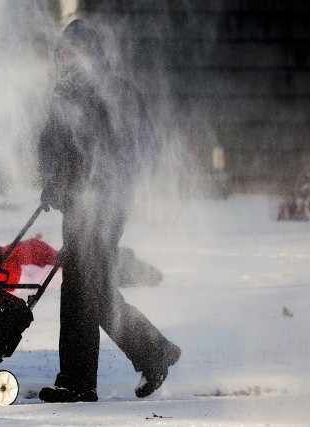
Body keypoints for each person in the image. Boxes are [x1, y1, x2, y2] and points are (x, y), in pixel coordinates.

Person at [37, 19, 181, 403]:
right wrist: (52, 180)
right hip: (76, 205)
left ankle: (136, 358)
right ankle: (93, 374)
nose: (65, 61)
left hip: (105, 206)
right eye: (61, 54)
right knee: (84, 290)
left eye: (72, 53)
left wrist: (105, 181)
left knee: (86, 290)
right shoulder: (63, 95)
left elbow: (138, 145)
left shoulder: (114, 93)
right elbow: (53, 146)